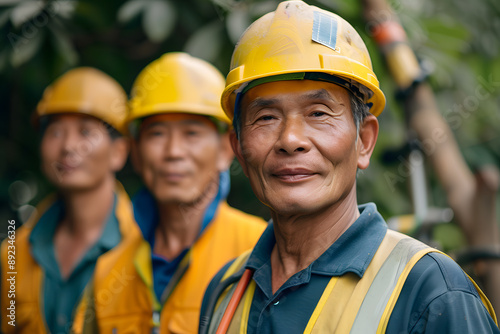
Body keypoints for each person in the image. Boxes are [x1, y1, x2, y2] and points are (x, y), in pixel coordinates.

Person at [199, 1, 500, 333]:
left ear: (365, 141)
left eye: (319, 113)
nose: (290, 139)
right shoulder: (224, 293)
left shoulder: (429, 292)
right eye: (266, 117)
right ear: (238, 149)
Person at [80, 52, 266, 333]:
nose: (173, 152)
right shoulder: (108, 271)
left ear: (226, 149)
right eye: (157, 134)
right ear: (136, 153)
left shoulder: (260, 250)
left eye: (191, 133)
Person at [0, 67, 142, 334]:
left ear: (118, 152)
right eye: (55, 132)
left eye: (86, 132)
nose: (67, 146)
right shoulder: (13, 253)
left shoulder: (145, 246)